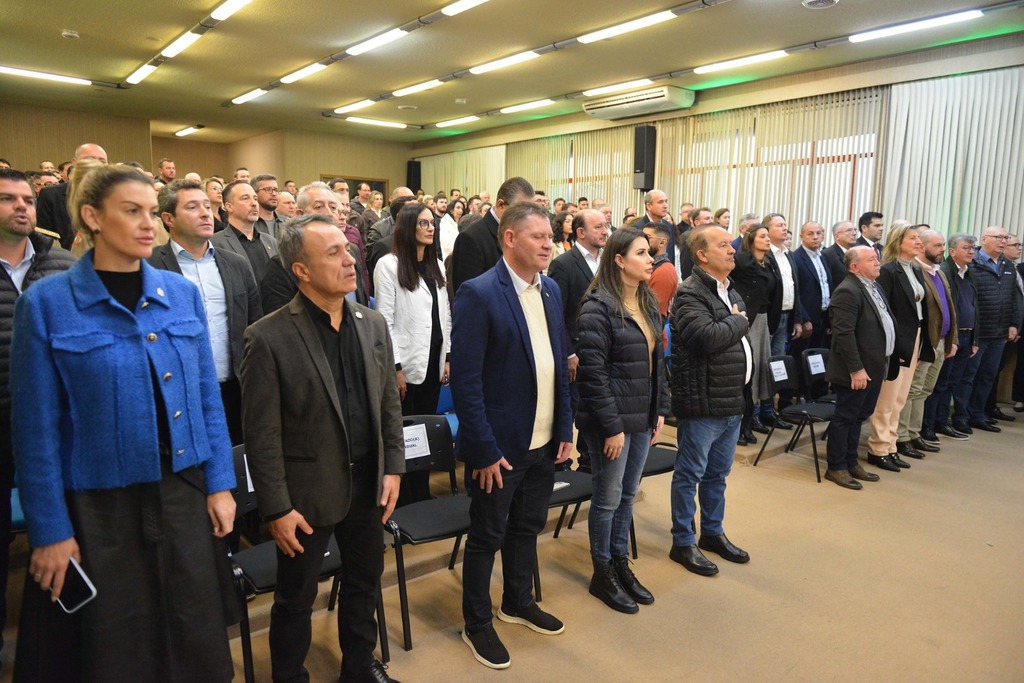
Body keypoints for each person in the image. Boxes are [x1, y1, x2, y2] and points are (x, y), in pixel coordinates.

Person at [11, 160, 236, 681]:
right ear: (91, 216)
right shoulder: (47, 303)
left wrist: (220, 484)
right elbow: (36, 428)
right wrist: (50, 529)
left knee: (193, 634)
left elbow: (207, 400)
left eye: (152, 213)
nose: (147, 225)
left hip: (182, 491)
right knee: (118, 646)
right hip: (99, 506)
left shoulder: (180, 295)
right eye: (130, 211)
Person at [241, 213, 404, 683]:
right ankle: (289, 676)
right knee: (295, 599)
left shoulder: (371, 323)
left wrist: (393, 468)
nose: (350, 259)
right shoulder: (268, 336)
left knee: (363, 583)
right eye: (333, 253)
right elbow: (262, 435)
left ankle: (359, 665)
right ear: (301, 270)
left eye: (347, 249)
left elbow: (388, 405)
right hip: (306, 496)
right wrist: (276, 507)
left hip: (368, 484)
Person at [451, 201, 573, 670]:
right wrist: (482, 450)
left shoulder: (552, 291)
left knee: (527, 527)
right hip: (499, 448)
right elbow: (467, 382)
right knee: (487, 534)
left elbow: (559, 366)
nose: (549, 245)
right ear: (510, 238)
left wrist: (564, 428)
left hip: (544, 438)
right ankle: (477, 622)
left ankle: (517, 601)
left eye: (551, 237)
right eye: (539, 237)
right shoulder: (479, 293)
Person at [0, 169, 75, 658]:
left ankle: (59, 644)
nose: (22, 207)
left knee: (60, 532)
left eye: (27, 199)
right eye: (7, 199)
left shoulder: (63, 264)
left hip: (55, 426)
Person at [575, 227, 669, 614]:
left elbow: (655, 365)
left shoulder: (646, 300)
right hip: (611, 422)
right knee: (608, 497)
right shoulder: (596, 307)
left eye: (650, 253)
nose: (652, 260)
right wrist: (612, 427)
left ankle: (619, 562)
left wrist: (659, 408)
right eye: (643, 253)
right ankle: (602, 571)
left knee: (628, 495)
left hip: (642, 415)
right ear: (619, 260)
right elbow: (593, 376)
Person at [150, 179, 263, 445]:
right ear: (169, 218)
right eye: (192, 207)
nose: (205, 213)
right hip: (178, 390)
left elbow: (254, 323)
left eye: (205, 205)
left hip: (234, 389)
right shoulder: (149, 265)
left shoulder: (236, 264)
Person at [668, 226, 751, 576]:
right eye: (723, 245)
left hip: (731, 398)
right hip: (702, 401)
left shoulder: (728, 287)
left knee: (718, 475)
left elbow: (731, 328)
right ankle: (682, 541)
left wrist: (732, 322)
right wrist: (736, 320)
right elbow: (706, 338)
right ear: (701, 255)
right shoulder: (689, 294)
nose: (732, 249)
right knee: (690, 474)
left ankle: (712, 533)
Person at [374, 202, 451, 505]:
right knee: (405, 432)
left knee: (425, 430)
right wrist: (395, 368)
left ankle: (421, 489)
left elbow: (445, 316)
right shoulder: (389, 265)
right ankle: (402, 495)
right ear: (408, 227)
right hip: (404, 362)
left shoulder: (438, 266)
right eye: (423, 223)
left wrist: (447, 356)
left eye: (432, 223)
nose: (430, 228)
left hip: (434, 359)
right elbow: (384, 321)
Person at [823, 246, 895, 489]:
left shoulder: (873, 286)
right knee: (845, 417)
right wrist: (856, 369)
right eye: (871, 259)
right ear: (855, 267)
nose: (878, 262)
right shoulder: (847, 290)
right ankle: (836, 467)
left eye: (877, 258)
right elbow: (843, 334)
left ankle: (851, 462)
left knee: (858, 417)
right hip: (856, 370)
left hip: (874, 366)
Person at [867, 224, 933, 472]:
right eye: (913, 238)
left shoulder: (914, 269)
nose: (919, 242)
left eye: (919, 238)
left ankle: (891, 445)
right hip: (895, 341)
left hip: (914, 337)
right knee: (887, 399)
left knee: (900, 398)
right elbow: (884, 311)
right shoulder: (888, 271)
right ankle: (878, 448)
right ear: (899, 241)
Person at [549, 209, 608, 472]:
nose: (605, 231)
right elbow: (556, 314)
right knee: (570, 409)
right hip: (576, 352)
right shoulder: (564, 264)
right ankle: (561, 464)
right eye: (598, 227)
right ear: (581, 232)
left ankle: (588, 462)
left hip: (602, 351)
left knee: (596, 410)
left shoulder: (609, 262)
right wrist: (568, 353)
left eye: (605, 226)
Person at [894, 228, 957, 455]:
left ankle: (913, 432)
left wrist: (953, 340)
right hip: (924, 341)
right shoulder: (915, 272)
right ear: (923, 246)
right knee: (912, 390)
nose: (942, 250)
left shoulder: (939, 273)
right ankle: (902, 437)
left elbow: (950, 309)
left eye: (942, 245)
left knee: (925, 390)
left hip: (940, 341)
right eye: (937, 246)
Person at [961, 226, 1020, 432]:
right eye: (998, 237)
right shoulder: (973, 263)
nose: (1003, 241)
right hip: (978, 332)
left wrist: (1013, 324)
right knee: (970, 375)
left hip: (1000, 331)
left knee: (988, 375)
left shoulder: (1008, 265)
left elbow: (1013, 298)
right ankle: (962, 416)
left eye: (1005, 238)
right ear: (984, 239)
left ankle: (978, 414)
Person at [924, 233, 979, 440]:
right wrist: (952, 339)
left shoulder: (969, 272)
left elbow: (975, 307)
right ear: (953, 250)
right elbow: (948, 309)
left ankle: (941, 420)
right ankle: (928, 425)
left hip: (966, 335)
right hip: (949, 337)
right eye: (966, 247)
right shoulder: (944, 271)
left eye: (973, 248)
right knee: (938, 384)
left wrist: (975, 338)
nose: (971, 251)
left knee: (951, 383)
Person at [729, 224, 777, 444]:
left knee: (758, 373)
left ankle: (750, 422)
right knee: (747, 374)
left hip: (764, 319)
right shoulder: (742, 261)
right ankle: (740, 426)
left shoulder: (768, 262)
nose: (768, 240)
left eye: (768, 236)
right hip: (749, 319)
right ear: (751, 239)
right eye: (763, 236)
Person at [450, 177, 534, 297]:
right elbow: (468, 296)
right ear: (501, 205)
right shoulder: (471, 238)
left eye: (529, 211)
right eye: (520, 211)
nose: (525, 217)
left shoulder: (525, 234)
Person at [438, 196, 466, 261]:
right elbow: (446, 244)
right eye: (458, 208)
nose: (460, 210)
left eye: (462, 208)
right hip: (450, 258)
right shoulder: (445, 222)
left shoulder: (461, 222)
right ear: (451, 210)